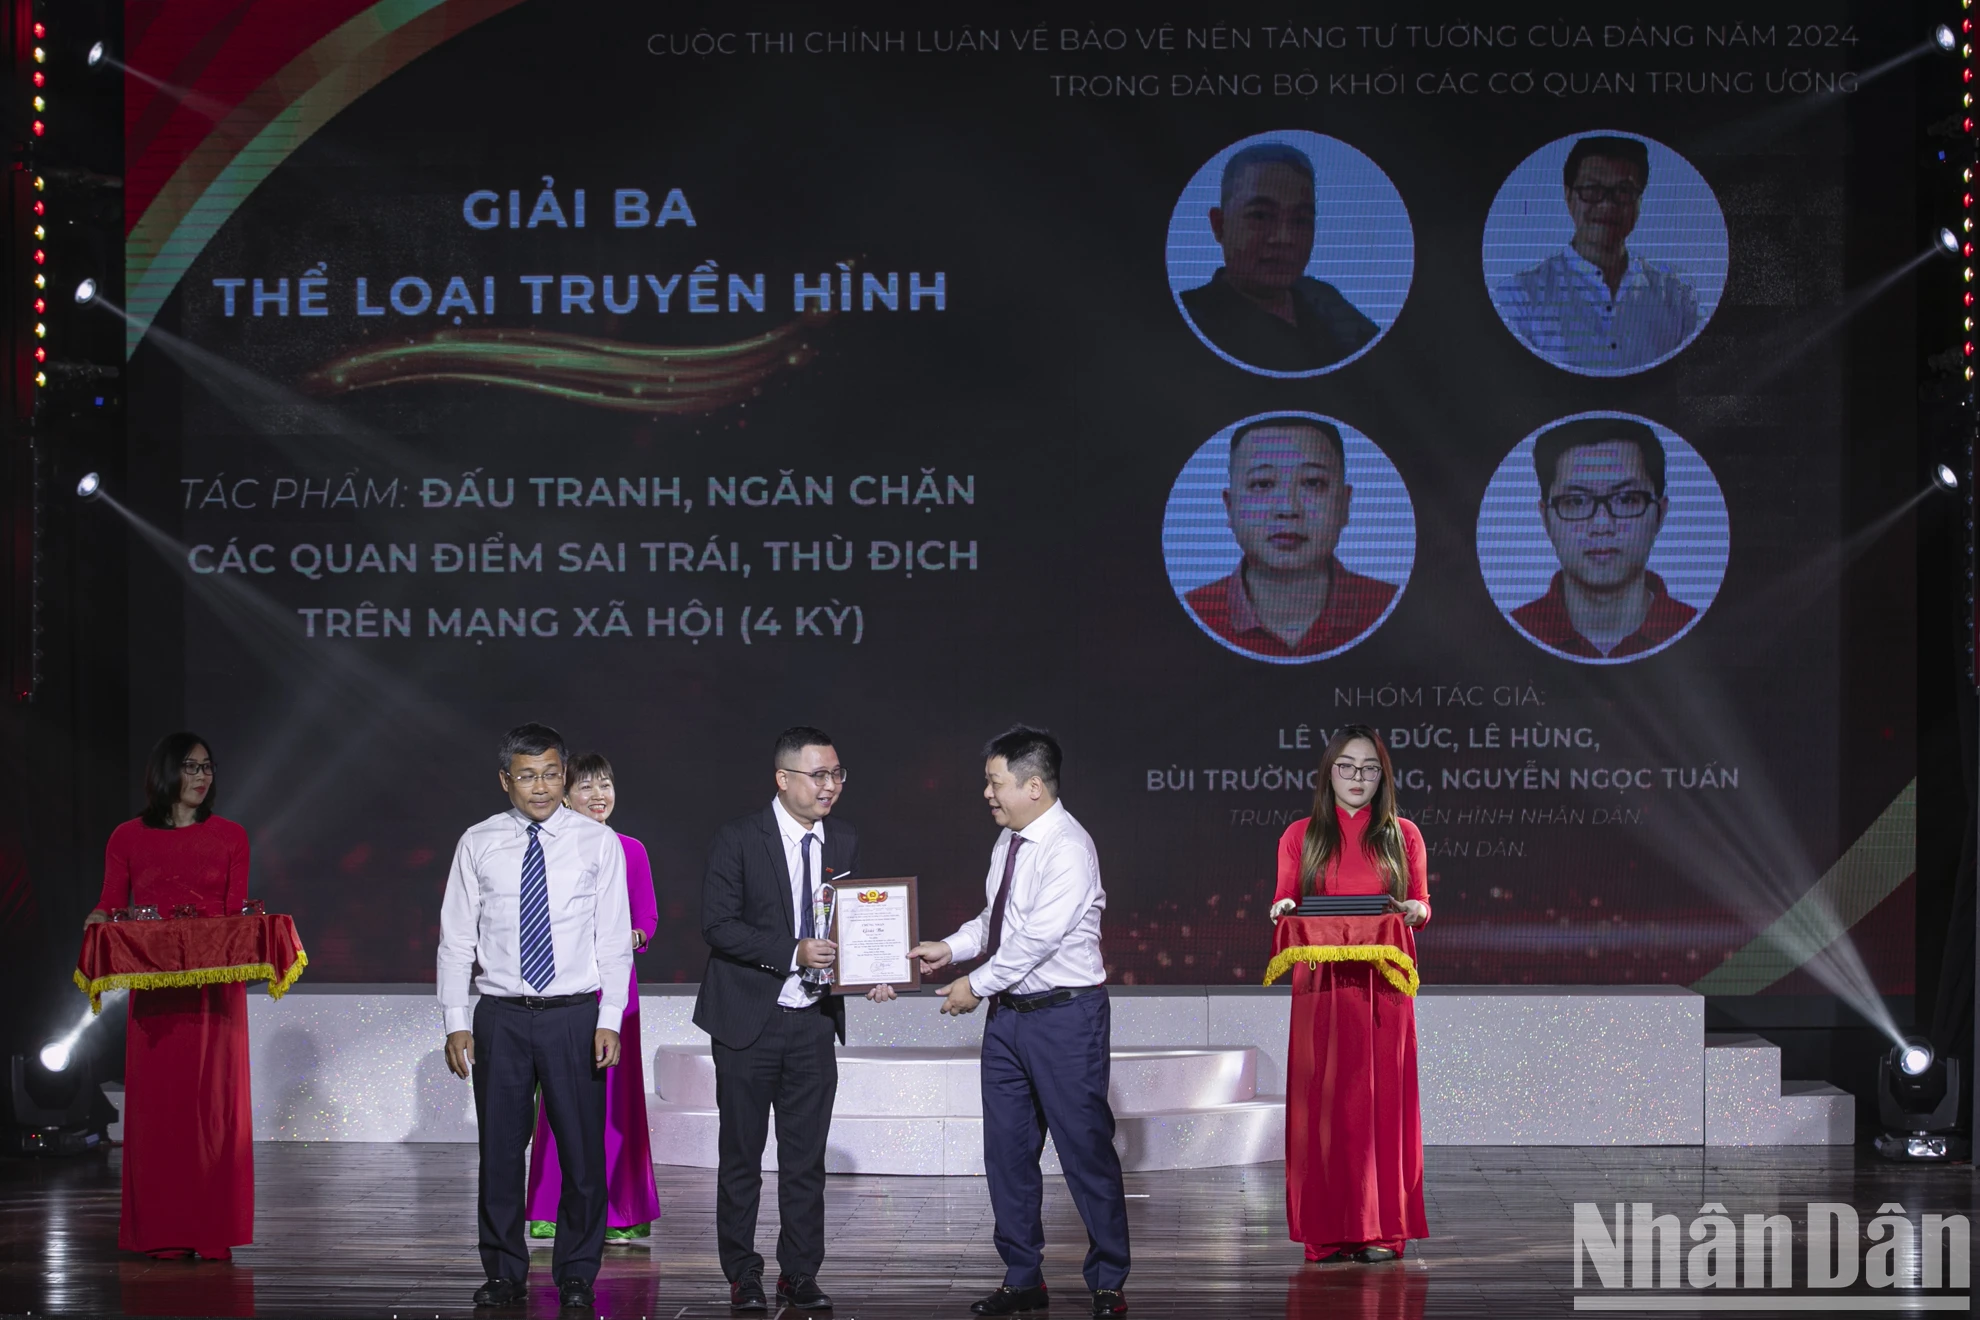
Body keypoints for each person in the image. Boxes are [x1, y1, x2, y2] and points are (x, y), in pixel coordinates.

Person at [911, 727, 1131, 1318]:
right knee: (1008, 1152)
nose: (987, 792)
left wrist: (974, 986)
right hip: (1011, 1019)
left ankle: (1108, 1281)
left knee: (1084, 1149)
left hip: (1065, 1017)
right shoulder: (1011, 840)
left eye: (995, 781)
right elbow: (998, 919)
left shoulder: (1068, 847)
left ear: (1033, 786)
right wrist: (950, 950)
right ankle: (1022, 1277)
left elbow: (1037, 938)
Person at [693, 727, 896, 1313]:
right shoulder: (738, 839)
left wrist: (870, 971)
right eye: (818, 775)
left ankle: (799, 1272)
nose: (830, 785)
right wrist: (791, 951)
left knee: (805, 1160)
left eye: (837, 774)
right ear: (784, 780)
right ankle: (743, 1272)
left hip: (812, 1022)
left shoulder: (845, 840)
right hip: (747, 1021)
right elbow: (718, 925)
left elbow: (852, 927)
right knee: (742, 1159)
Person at [437, 722, 633, 1312]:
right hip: (501, 1015)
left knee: (581, 1154)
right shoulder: (478, 841)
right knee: (499, 1152)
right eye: (527, 776)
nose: (541, 787)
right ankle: (503, 1272)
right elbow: (455, 939)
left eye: (552, 774)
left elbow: (614, 940)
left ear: (564, 776)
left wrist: (611, 1018)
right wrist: (455, 1019)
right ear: (506, 781)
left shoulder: (598, 843)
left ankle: (576, 1272)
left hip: (575, 1015)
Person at [86, 732, 252, 1259]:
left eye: (207, 767)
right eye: (190, 767)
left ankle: (210, 1232)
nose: (202, 776)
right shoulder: (127, 837)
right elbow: (111, 904)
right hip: (155, 995)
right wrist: (99, 919)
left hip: (215, 995)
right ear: (164, 772)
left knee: (213, 1113)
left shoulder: (230, 836)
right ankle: (162, 1233)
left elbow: (234, 914)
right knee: (161, 1113)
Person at [1267, 725, 1430, 1263]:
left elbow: (1422, 904)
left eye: (1368, 768)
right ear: (1328, 771)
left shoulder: (1403, 834)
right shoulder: (1302, 834)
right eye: (1346, 766)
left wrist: (1414, 912)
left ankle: (1382, 1229)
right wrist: (1282, 910)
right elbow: (1285, 897)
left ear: (1382, 776)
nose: (1357, 778)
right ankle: (1326, 1229)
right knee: (1324, 1103)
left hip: (1383, 988)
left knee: (1381, 1102)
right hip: (1321, 986)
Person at [525, 753, 662, 1242]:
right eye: (586, 787)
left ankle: (620, 1213)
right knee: (557, 1098)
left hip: (615, 990)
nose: (598, 795)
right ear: (563, 794)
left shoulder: (631, 849)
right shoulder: (544, 848)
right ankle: (549, 1206)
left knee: (614, 1102)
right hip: (560, 990)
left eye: (605, 785)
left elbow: (647, 919)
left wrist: (627, 937)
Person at [1184, 416, 1399, 659]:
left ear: (1344, 504)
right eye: (1262, 484)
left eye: (1312, 482)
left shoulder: (1392, 608)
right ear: (1230, 507)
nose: (1287, 508)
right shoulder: (1193, 612)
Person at [1493, 135, 1701, 372]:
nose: (1607, 205)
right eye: (1592, 189)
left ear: (1640, 201)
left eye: (1624, 190)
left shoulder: (1678, 297)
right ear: (1568, 196)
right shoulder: (1518, 298)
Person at [1179, 141, 1381, 372]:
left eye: (1301, 220)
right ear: (1219, 225)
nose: (1284, 238)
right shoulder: (1192, 320)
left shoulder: (1322, 298)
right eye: (1261, 216)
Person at [1509, 416, 1699, 659]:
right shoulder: (1511, 633)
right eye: (1576, 501)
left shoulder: (1699, 631)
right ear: (1546, 518)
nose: (1601, 525)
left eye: (1626, 499)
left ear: (1660, 514)